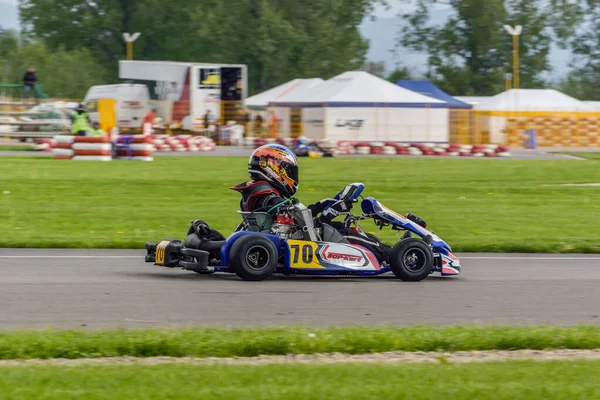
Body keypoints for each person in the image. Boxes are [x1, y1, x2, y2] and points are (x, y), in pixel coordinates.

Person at [190, 144, 392, 263]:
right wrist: (329, 214)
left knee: (339, 227)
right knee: (349, 232)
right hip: (289, 243)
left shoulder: (257, 191)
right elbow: (297, 224)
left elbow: (295, 217)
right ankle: (395, 255)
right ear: (275, 169)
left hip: (272, 241)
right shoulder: (268, 195)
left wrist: (323, 205)